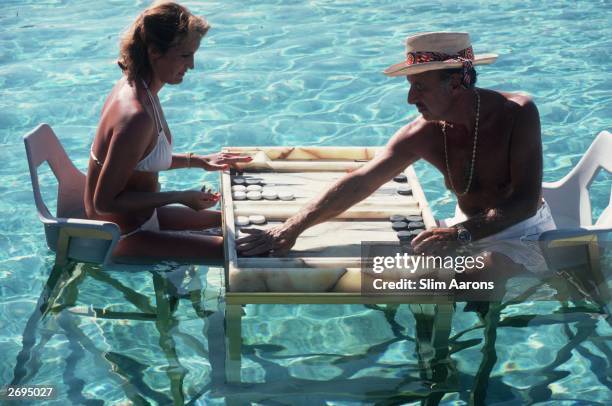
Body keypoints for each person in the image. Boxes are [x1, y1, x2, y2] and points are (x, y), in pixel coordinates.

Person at [236, 32, 556, 286]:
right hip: (463, 230)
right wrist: (290, 228)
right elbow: (361, 181)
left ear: (456, 83)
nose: (410, 98)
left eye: (419, 86)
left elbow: (524, 202)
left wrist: (460, 234)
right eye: (409, 86)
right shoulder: (423, 133)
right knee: (387, 277)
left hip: (522, 231)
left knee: (456, 282)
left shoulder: (517, 112)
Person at [85, 1, 250, 262]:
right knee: (244, 251)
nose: (192, 65)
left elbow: (138, 161)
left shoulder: (140, 87)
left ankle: (193, 293)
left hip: (142, 218)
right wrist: (179, 197)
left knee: (243, 226)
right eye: (185, 55)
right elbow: (103, 203)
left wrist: (198, 161)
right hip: (120, 235)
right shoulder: (136, 116)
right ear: (154, 51)